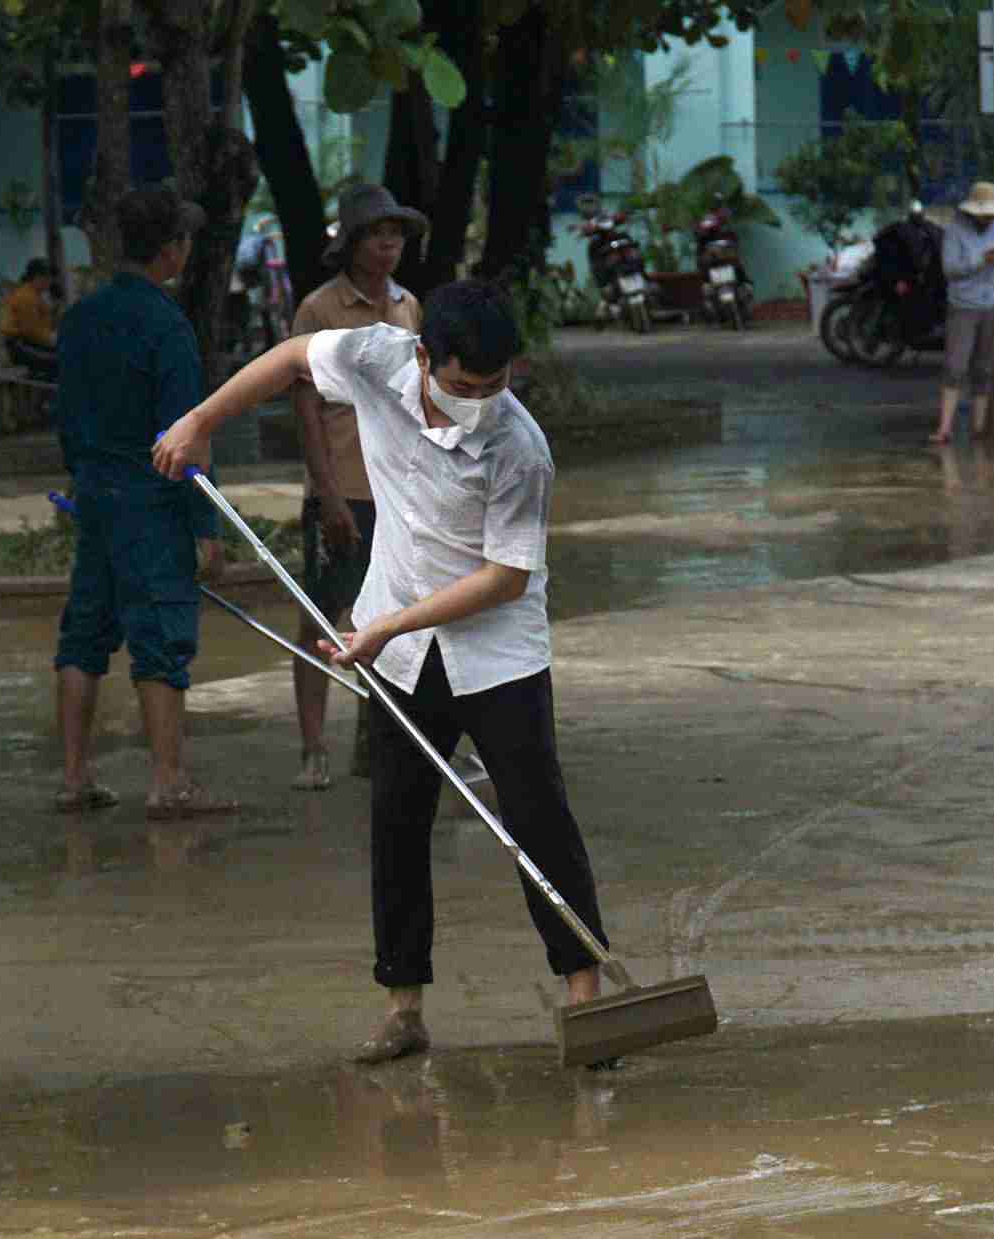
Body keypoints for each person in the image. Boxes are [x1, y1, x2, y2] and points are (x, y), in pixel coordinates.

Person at [151, 280, 613, 1065]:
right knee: (397, 821)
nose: (482, 400)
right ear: (427, 359)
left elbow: (505, 576)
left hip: (496, 650)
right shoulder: (377, 358)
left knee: (537, 818)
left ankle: (587, 1000)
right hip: (399, 646)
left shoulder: (519, 447)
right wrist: (200, 422)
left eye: (497, 385)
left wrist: (384, 624)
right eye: (466, 386)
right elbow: (294, 358)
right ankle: (404, 1007)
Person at [52, 187, 238, 820]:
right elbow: (186, 434)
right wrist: (205, 525)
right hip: (151, 501)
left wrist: (81, 481)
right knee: (160, 635)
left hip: (94, 496)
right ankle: (169, 781)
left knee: (84, 634)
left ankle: (75, 777)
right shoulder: (166, 324)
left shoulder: (79, 317)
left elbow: (64, 417)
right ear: (171, 250)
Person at [286, 184, 427, 790]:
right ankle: (312, 746)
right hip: (342, 484)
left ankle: (379, 740)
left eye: (396, 231)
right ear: (351, 243)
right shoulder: (319, 310)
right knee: (321, 615)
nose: (389, 242)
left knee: (390, 619)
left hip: (398, 487)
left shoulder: (408, 306)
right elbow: (307, 410)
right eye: (376, 232)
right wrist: (328, 495)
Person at [932, 181, 994, 446]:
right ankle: (945, 428)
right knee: (955, 366)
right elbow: (950, 269)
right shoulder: (955, 231)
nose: (987, 219)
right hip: (963, 305)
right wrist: (980, 261)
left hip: (988, 304)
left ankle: (979, 429)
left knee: (983, 369)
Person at [2, 257, 60, 381]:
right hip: (19, 347)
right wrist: (53, 340)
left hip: (32, 343)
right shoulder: (26, 297)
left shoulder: (36, 295)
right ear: (37, 277)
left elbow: (43, 328)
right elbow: (30, 332)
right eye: (48, 277)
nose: (50, 281)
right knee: (60, 361)